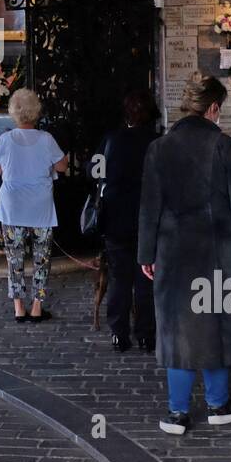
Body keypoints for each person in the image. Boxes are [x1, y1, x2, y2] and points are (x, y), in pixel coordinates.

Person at [139, 73, 231, 434]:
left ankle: (177, 413)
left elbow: (149, 208)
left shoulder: (158, 148)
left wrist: (146, 254)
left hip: (171, 251)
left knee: (176, 328)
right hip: (217, 249)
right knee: (216, 325)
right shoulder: (225, 147)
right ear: (213, 107)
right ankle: (218, 405)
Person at [0, 88, 68, 322]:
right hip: (40, 208)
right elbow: (62, 166)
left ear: (14, 112)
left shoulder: (5, 139)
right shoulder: (46, 139)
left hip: (12, 207)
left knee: (14, 259)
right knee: (41, 258)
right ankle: (36, 307)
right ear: (36, 112)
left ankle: (18, 308)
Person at [98, 89, 159, 353]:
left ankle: (119, 333)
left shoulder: (111, 140)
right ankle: (146, 334)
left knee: (119, 278)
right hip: (148, 218)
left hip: (116, 217)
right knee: (147, 279)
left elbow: (95, 171)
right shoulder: (157, 143)